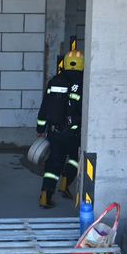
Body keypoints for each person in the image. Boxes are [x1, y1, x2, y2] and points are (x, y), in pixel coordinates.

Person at [36, 50, 85, 208]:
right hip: (74, 132)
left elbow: (45, 106)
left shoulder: (55, 81)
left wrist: (40, 128)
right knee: (75, 158)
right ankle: (66, 181)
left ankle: (45, 194)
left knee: (54, 162)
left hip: (55, 131)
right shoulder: (84, 82)